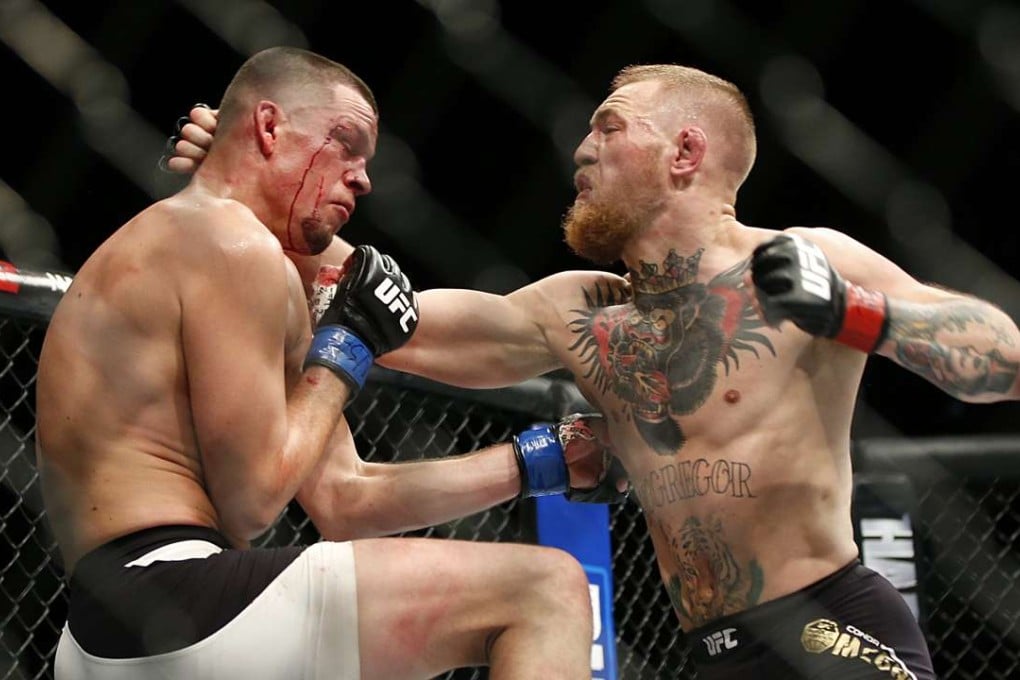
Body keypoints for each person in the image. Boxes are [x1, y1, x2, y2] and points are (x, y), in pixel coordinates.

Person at [167, 62, 1020, 679]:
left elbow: (1003, 357)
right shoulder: (577, 312)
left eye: (610, 128)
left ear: (685, 152)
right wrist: (250, 185)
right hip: (706, 652)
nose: (581, 150)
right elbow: (383, 309)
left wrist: (855, 311)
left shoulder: (798, 263)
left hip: (829, 629)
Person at [36, 46, 631, 680]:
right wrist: (344, 348)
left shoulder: (217, 257)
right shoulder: (228, 239)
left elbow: (348, 499)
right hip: (174, 590)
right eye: (346, 146)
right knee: (546, 591)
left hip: (108, 632)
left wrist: (543, 459)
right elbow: (252, 503)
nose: (364, 179)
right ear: (269, 127)